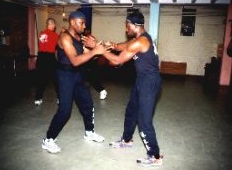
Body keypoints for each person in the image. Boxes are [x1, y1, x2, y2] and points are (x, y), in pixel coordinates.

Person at [83, 11, 163, 166]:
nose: (126, 29)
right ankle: (127, 140)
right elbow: (121, 46)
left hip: (150, 82)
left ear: (134, 25)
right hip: (142, 79)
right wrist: (106, 44)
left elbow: (118, 60)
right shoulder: (139, 38)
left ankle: (155, 156)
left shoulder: (140, 42)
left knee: (144, 121)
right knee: (131, 111)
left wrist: (98, 50)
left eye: (127, 26)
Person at [41, 11, 106, 154]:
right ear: (72, 22)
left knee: (88, 105)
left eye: (84, 23)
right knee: (65, 111)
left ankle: (89, 132)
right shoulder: (64, 38)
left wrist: (95, 47)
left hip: (78, 75)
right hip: (65, 76)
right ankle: (48, 139)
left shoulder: (78, 37)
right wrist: (94, 51)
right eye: (81, 23)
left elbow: (84, 56)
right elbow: (75, 61)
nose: (84, 26)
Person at [34, 18, 58, 106]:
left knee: (40, 79)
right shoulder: (55, 35)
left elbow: (44, 43)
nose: (55, 26)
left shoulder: (41, 34)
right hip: (49, 58)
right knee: (56, 79)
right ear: (51, 24)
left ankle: (38, 99)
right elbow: (57, 46)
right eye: (54, 24)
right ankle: (59, 98)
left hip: (40, 57)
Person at [83, 29, 108, 100]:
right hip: (86, 61)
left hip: (92, 62)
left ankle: (102, 90)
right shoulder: (84, 40)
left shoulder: (92, 40)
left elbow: (96, 51)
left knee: (93, 78)